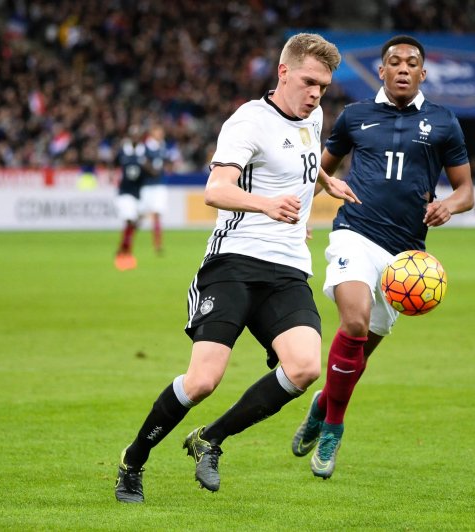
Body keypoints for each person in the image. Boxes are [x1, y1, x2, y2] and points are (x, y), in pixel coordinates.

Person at [114, 32, 359, 503]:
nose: (316, 94)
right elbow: (215, 189)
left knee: (306, 367)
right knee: (204, 380)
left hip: (287, 268)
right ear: (283, 72)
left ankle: (211, 438)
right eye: (309, 82)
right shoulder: (247, 122)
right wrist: (267, 205)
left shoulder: (313, 115)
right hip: (234, 263)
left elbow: (302, 163)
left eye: (324, 87)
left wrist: (328, 181)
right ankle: (133, 462)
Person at [290, 35, 474, 479]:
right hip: (355, 233)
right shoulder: (355, 117)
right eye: (395, 62)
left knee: (359, 355)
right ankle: (334, 428)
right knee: (353, 322)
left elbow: (466, 189)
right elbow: (321, 172)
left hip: (406, 257)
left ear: (423, 73)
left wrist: (449, 205)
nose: (404, 68)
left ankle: (321, 406)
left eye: (413, 63)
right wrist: (297, 216)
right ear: (382, 71)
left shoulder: (444, 122)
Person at [113, 125, 148, 271]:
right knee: (130, 220)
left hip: (139, 193)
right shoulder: (123, 150)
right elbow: (114, 163)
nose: (135, 137)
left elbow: (151, 170)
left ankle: (123, 247)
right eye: (133, 135)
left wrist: (147, 165)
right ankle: (126, 250)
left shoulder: (143, 151)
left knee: (136, 222)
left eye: (137, 135)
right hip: (124, 192)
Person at [139, 124, 170, 255]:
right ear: (152, 132)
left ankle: (157, 244)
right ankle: (129, 240)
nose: (160, 134)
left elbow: (165, 163)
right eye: (158, 131)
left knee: (157, 214)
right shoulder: (144, 147)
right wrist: (151, 170)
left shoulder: (162, 146)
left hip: (159, 185)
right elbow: (141, 162)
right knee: (140, 215)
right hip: (147, 185)